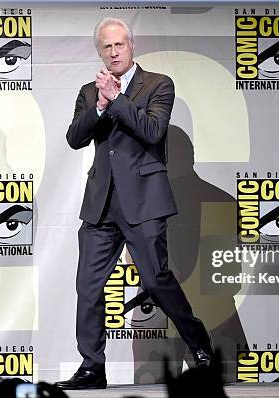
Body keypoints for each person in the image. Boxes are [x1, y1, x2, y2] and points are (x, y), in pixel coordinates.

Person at [55, 18, 213, 390]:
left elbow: (153, 130)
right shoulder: (88, 91)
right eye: (106, 47)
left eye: (120, 45)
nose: (114, 52)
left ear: (132, 46)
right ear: (100, 52)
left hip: (144, 202)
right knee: (88, 286)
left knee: (157, 280)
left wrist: (117, 100)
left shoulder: (158, 84)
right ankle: (92, 367)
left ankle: (200, 348)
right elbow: (74, 138)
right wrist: (98, 106)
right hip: (101, 205)